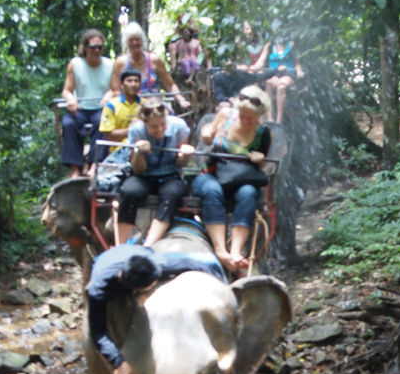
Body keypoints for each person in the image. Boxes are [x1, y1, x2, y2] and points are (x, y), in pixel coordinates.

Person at [87, 244, 226, 374]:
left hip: (137, 252)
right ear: (137, 289)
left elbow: (198, 265)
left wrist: (220, 291)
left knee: (210, 261)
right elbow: (98, 332)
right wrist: (118, 362)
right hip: (106, 263)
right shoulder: (99, 289)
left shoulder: (153, 263)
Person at [192, 85, 271, 275]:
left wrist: (259, 159)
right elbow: (207, 137)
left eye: (250, 118)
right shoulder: (225, 115)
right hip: (212, 173)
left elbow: (261, 165)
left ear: (259, 116)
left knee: (249, 193)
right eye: (242, 115)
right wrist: (208, 133)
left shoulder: (263, 133)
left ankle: (236, 251)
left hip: (240, 179)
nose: (244, 120)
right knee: (212, 190)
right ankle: (221, 250)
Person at [116, 96, 194, 247]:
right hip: (144, 175)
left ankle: (149, 244)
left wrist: (184, 155)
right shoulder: (137, 130)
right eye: (153, 127)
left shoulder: (179, 127)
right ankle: (121, 245)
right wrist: (139, 152)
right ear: (145, 124)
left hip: (170, 175)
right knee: (129, 191)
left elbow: (180, 164)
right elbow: (138, 169)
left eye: (162, 125)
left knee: (173, 193)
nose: (159, 130)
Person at [60, 29, 114, 178]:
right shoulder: (76, 64)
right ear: (85, 48)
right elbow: (66, 90)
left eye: (100, 47)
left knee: (103, 121)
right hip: (81, 108)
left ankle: (94, 164)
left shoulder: (109, 64)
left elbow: (115, 89)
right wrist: (70, 99)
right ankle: (75, 167)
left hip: (100, 108)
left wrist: (109, 95)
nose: (97, 51)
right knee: (69, 123)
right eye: (93, 47)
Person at [111, 22, 189, 112]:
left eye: (137, 40)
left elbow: (170, 84)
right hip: (131, 107)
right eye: (131, 40)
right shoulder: (120, 63)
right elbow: (116, 90)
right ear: (126, 42)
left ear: (142, 40)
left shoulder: (154, 60)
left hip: (155, 106)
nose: (134, 43)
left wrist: (180, 99)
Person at [210, 21, 273, 106]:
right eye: (244, 29)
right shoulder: (239, 43)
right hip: (241, 71)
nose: (246, 31)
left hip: (254, 70)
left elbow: (261, 62)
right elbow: (234, 62)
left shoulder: (262, 44)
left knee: (253, 77)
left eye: (248, 28)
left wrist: (249, 68)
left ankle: (256, 106)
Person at [94, 66, 143, 167]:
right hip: (118, 151)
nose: (133, 84)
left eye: (136, 81)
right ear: (122, 84)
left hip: (142, 150)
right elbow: (109, 135)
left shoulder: (145, 105)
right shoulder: (111, 106)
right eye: (129, 81)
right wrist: (134, 130)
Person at [253, 38, 304, 124]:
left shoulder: (291, 45)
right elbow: (261, 61)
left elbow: (297, 63)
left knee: (281, 87)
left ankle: (278, 120)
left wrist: (299, 71)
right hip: (274, 73)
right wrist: (253, 68)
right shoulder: (269, 46)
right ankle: (269, 117)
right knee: (269, 84)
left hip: (288, 73)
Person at [167, 19, 207, 84]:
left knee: (194, 63)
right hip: (184, 58)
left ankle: (190, 79)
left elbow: (199, 52)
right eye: (184, 32)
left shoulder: (196, 42)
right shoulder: (179, 42)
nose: (185, 34)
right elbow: (174, 48)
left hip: (193, 57)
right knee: (185, 63)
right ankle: (188, 78)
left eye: (186, 32)